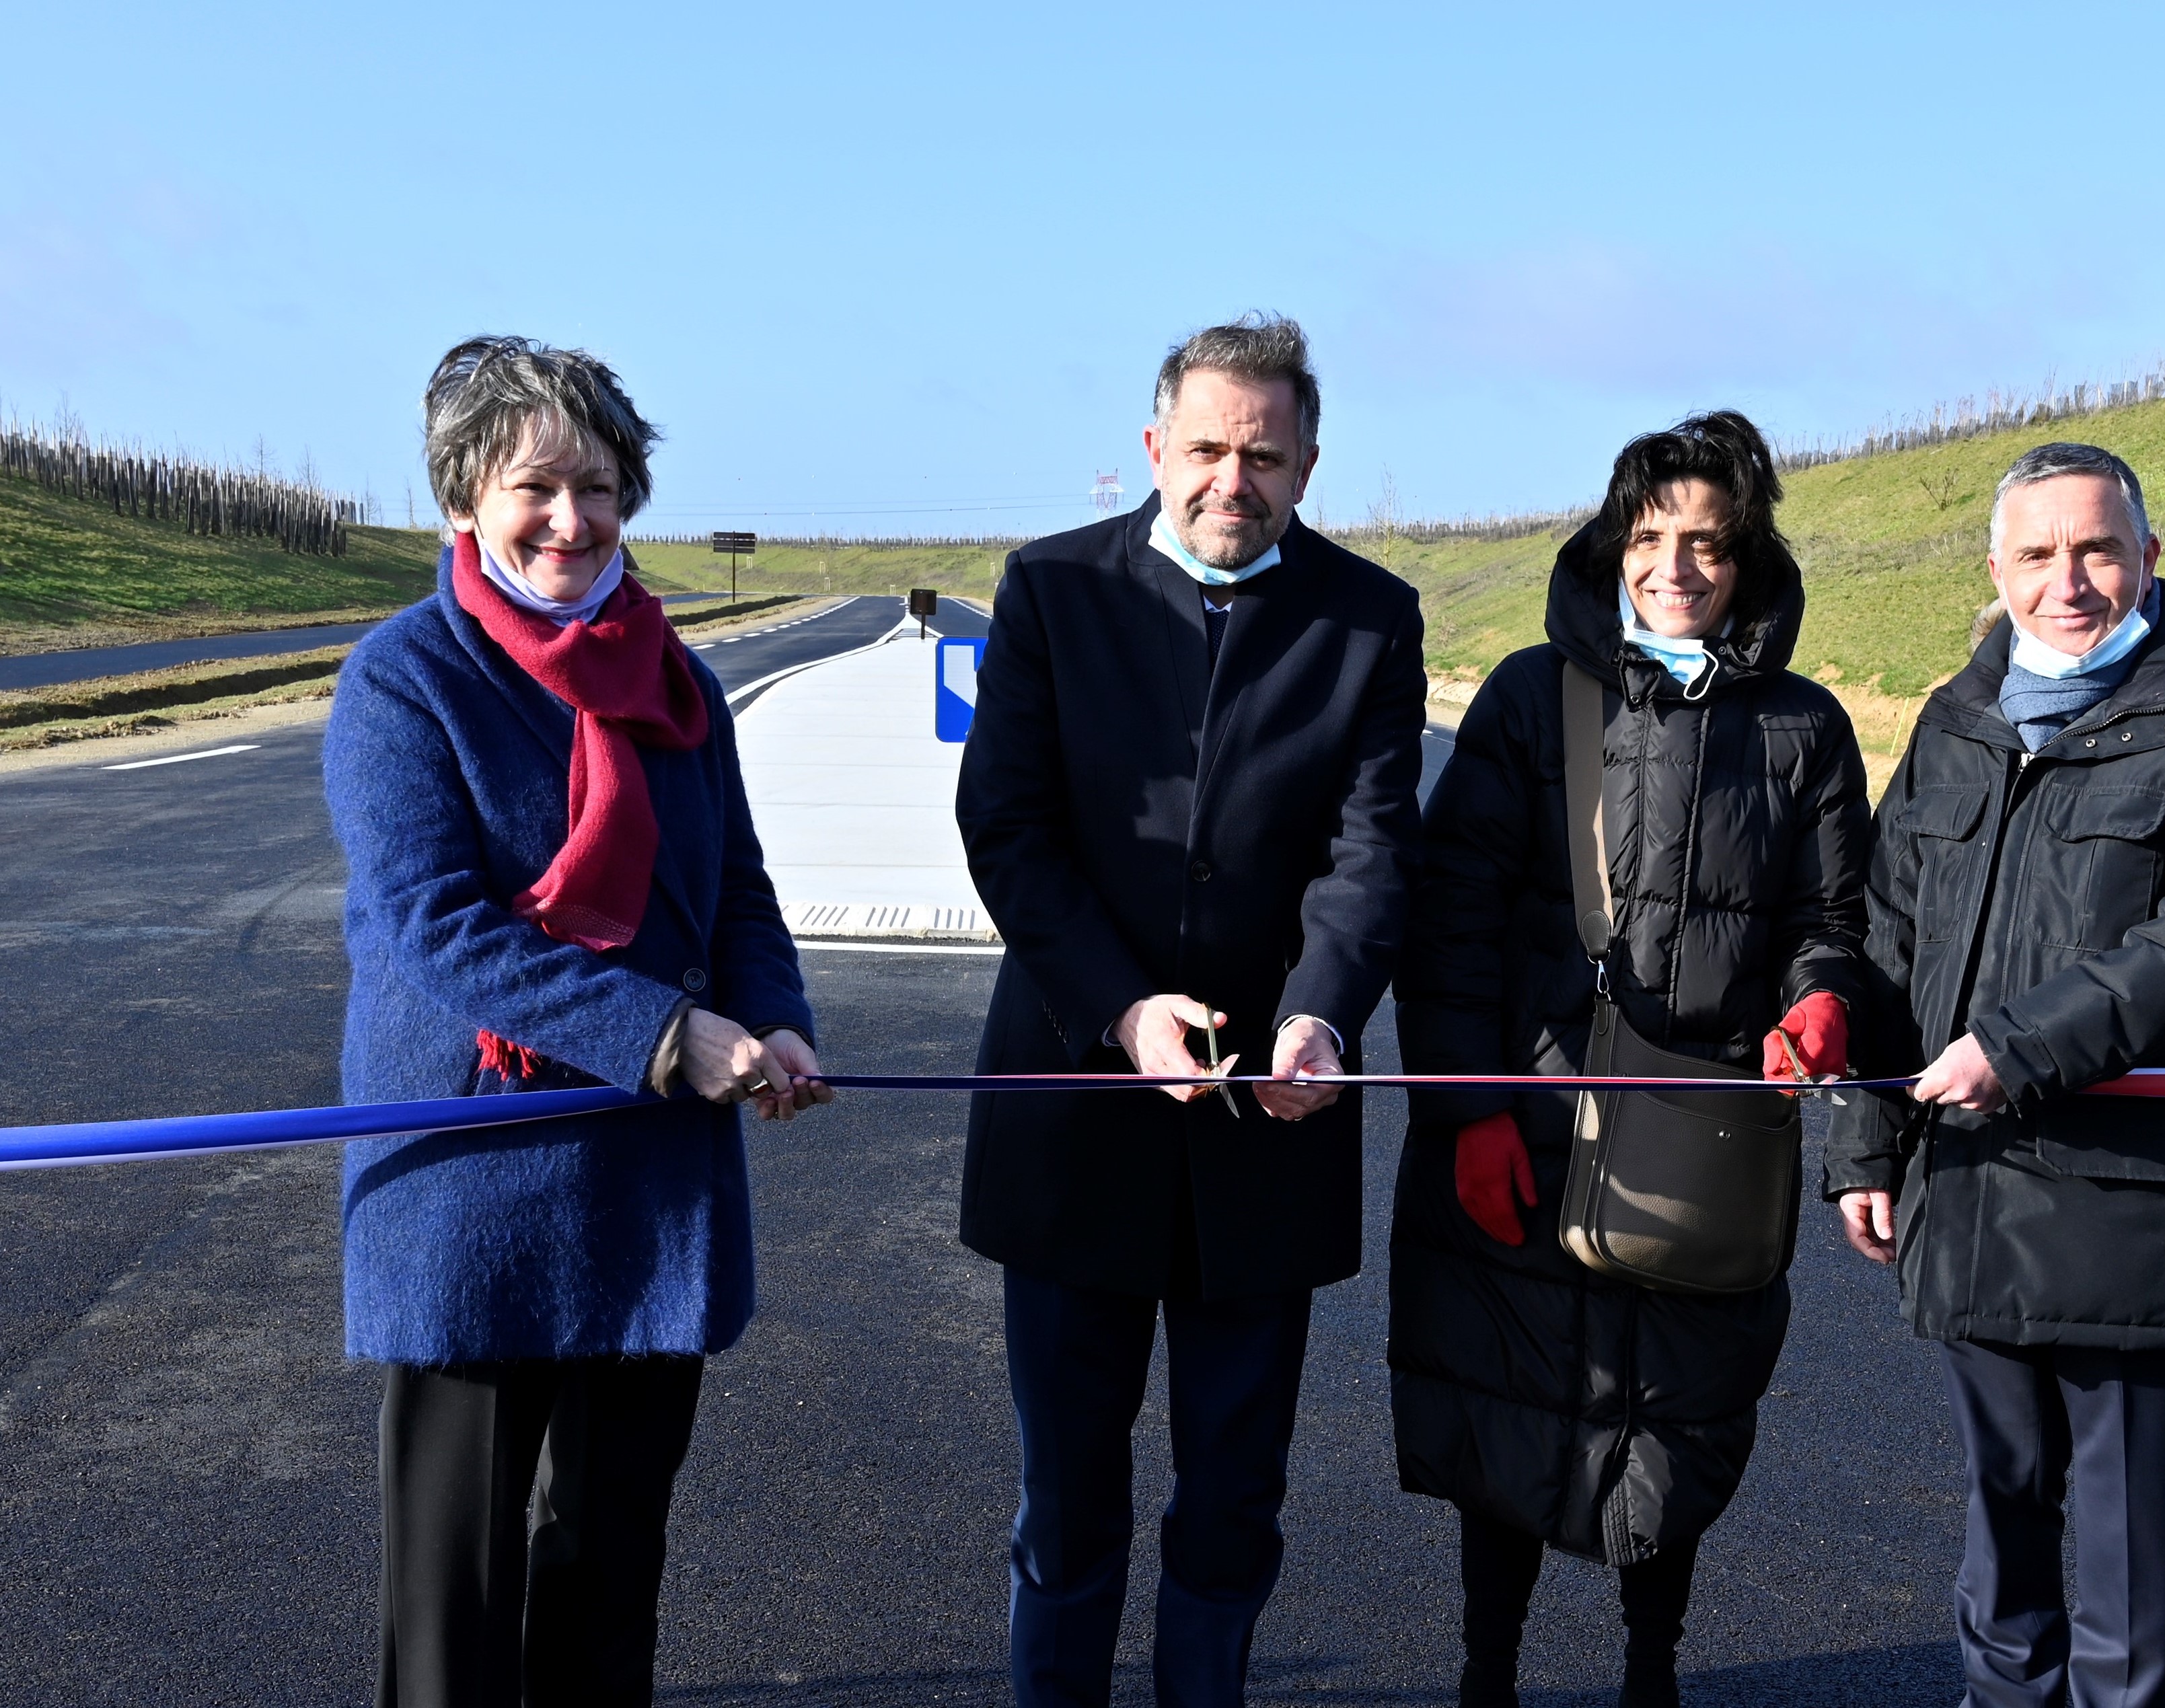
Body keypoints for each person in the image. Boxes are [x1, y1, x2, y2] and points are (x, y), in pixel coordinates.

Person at [324, 336, 830, 1708]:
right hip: (469, 1178)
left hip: (648, 1179)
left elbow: (738, 893)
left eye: (598, 484)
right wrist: (673, 1036)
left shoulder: (679, 683)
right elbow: (438, 931)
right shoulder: (404, 679)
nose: (571, 516)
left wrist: (772, 1019)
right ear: (463, 503)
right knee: (457, 1603)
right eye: (534, 485)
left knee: (609, 1577)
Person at [954, 314, 1426, 1707]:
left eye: (1265, 455)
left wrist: (1322, 1015)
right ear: (1155, 448)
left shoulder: (1369, 616)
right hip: (1072, 1110)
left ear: (1309, 462)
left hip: (1270, 1122)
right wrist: (1117, 1009)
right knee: (1070, 1494)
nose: (1235, 478)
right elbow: (1009, 829)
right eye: (1209, 448)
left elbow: (1372, 850)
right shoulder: (1049, 590)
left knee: (1233, 1496)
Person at [1389, 412, 1872, 1708]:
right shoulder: (1524, 700)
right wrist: (1467, 1111)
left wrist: (1818, 1003)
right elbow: (1452, 924)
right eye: (1650, 537)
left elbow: (1831, 924)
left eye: (1708, 542)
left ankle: (1651, 1674)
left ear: (1749, 556)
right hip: (1523, 1133)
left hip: (1703, 1143)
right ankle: (1486, 1676)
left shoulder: (1807, 729)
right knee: (1505, 1406)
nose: (1676, 566)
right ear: (1613, 545)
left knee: (1677, 1418)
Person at [1825, 442, 2165, 1708]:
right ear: (1996, 569)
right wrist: (1868, 1148)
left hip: (2136, 1222)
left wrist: (2020, 1049)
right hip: (1969, 1201)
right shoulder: (1955, 719)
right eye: (2038, 553)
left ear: (2149, 556)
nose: (2070, 579)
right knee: (2003, 1582)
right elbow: (1888, 939)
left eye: (2099, 548)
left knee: (2130, 1604)